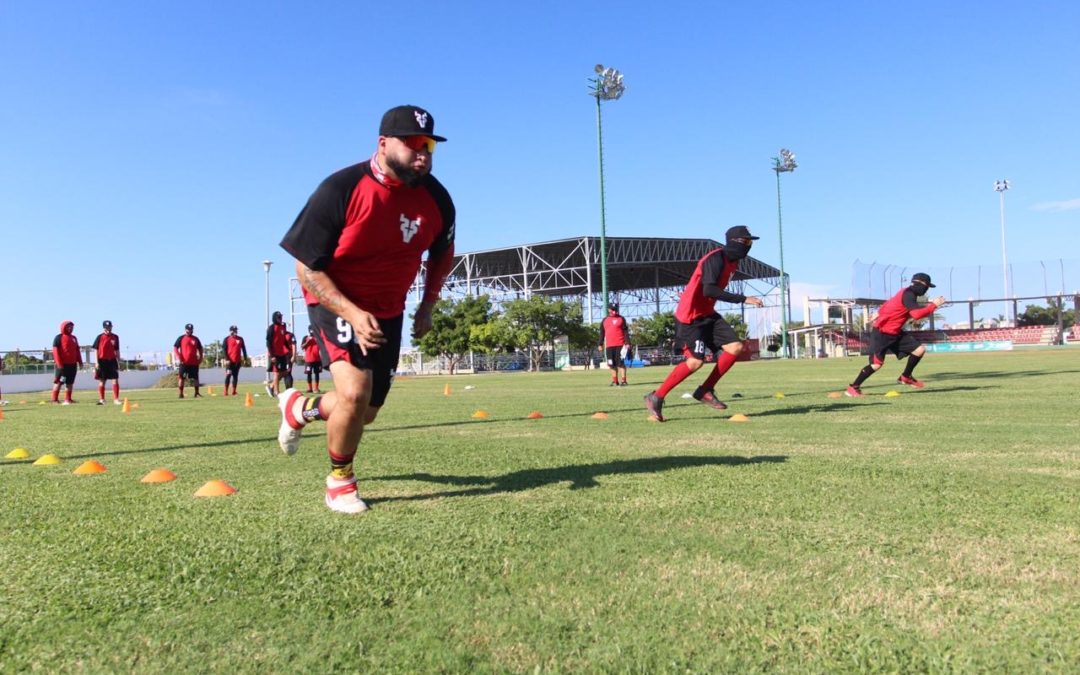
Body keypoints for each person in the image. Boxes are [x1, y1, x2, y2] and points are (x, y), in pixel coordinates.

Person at [276, 104, 455, 514]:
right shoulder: (339, 189)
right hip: (335, 296)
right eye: (413, 144)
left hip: (388, 310)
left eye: (428, 144)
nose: (423, 152)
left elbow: (442, 255)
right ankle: (340, 482)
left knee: (365, 412)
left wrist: (426, 307)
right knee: (354, 393)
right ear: (383, 144)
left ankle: (300, 408)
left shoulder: (437, 199)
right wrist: (353, 314)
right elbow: (306, 266)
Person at [644, 226, 764, 422]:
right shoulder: (715, 259)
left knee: (735, 347)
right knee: (695, 362)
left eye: (750, 243)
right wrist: (743, 299)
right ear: (734, 241)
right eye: (746, 242)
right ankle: (656, 396)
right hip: (690, 316)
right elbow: (709, 290)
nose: (748, 246)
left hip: (707, 313)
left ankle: (705, 390)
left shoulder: (732, 263)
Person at [846, 272, 945, 396]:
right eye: (926, 286)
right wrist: (934, 305)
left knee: (919, 350)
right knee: (876, 364)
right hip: (882, 333)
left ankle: (905, 377)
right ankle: (853, 388)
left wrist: (879, 312)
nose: (926, 289)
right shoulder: (908, 294)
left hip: (895, 332)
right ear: (920, 284)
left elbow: (890, 303)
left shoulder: (907, 292)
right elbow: (916, 315)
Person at [51, 320, 83, 405]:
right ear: (64, 327)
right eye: (68, 327)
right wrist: (59, 364)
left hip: (72, 365)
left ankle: (68, 399)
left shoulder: (74, 338)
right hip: (62, 365)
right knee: (59, 382)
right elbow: (55, 351)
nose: (70, 328)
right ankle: (54, 400)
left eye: (72, 327)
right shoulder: (58, 337)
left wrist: (80, 361)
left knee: (70, 382)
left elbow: (77, 351)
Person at [92, 320, 123, 405]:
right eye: (107, 327)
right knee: (102, 381)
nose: (108, 329)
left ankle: (116, 399)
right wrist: (96, 362)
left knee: (115, 380)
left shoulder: (115, 337)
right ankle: (102, 399)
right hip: (102, 361)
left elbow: (117, 350)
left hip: (112, 360)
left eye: (110, 327)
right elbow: (96, 350)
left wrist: (119, 361)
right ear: (104, 328)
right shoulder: (99, 337)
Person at [600, 303, 630, 386]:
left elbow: (625, 332)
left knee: (621, 363)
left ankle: (624, 381)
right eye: (612, 309)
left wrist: (627, 342)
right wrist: (600, 344)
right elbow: (602, 333)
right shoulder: (604, 320)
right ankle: (615, 381)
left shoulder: (621, 319)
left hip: (620, 345)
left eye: (615, 309)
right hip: (609, 346)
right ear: (609, 310)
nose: (614, 311)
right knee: (611, 364)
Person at [173, 323, 204, 398]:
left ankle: (196, 393)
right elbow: (175, 348)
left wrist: (200, 358)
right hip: (184, 363)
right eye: (188, 329)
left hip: (194, 363)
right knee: (181, 378)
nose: (189, 331)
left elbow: (200, 349)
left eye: (191, 329)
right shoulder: (181, 338)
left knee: (196, 378)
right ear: (185, 330)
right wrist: (179, 358)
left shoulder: (195, 339)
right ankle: (181, 393)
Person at [265, 311, 290, 398]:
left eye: (281, 317)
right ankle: (276, 391)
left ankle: (271, 386)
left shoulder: (283, 327)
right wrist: (272, 356)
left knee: (284, 372)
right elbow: (268, 342)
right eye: (279, 317)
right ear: (275, 318)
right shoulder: (271, 328)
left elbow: (284, 340)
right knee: (276, 373)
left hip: (282, 353)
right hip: (274, 354)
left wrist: (288, 349)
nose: (280, 319)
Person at [223, 325, 248, 396]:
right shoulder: (226, 339)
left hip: (237, 361)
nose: (235, 331)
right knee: (228, 375)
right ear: (230, 331)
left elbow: (243, 349)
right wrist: (227, 359)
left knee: (235, 376)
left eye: (236, 330)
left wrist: (245, 358)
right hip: (229, 362)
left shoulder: (240, 339)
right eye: (234, 330)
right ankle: (225, 391)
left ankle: (234, 391)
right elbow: (224, 350)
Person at [300, 325, 323, 393]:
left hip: (317, 359)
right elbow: (302, 347)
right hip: (309, 359)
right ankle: (309, 388)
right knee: (309, 374)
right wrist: (308, 342)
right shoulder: (306, 337)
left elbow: (322, 347)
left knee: (317, 374)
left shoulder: (318, 337)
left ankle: (316, 388)